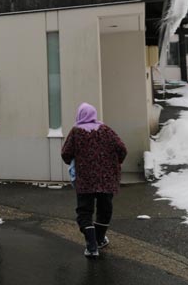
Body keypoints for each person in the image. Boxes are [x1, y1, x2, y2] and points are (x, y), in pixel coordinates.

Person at [61, 102, 127, 259]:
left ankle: (92, 246)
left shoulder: (76, 132)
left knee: (85, 211)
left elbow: (65, 154)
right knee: (105, 210)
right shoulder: (106, 130)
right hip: (107, 179)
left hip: (85, 180)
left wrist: (75, 160)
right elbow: (122, 149)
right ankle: (99, 239)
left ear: (79, 115)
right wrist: (115, 163)